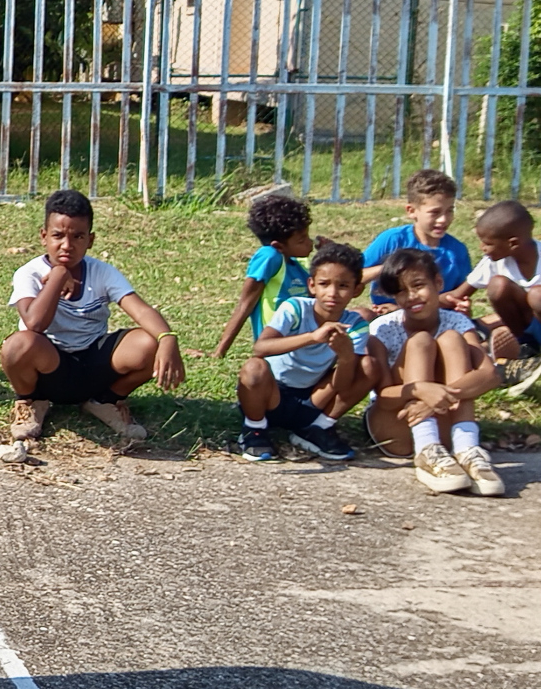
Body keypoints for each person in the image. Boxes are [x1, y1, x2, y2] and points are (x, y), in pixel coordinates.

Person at [0, 189, 184, 444]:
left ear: (91, 240)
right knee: (17, 345)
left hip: (92, 364)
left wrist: (167, 338)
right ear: (44, 237)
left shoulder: (102, 272)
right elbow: (35, 323)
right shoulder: (29, 273)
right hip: (48, 368)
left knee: (149, 343)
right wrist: (57, 276)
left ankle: (105, 401)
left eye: (78, 236)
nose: (67, 245)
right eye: (58, 236)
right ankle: (30, 402)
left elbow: (140, 309)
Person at [364, 249, 503, 495]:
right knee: (421, 342)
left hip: (445, 425)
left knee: (451, 339)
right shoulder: (383, 328)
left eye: (418, 285)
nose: (411, 297)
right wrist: (419, 390)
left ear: (438, 283)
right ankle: (426, 449)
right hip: (394, 424)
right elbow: (383, 396)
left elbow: (490, 374)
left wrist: (435, 399)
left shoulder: (457, 322)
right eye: (400, 291)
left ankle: (466, 449)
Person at [236, 241, 379, 463]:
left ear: (357, 290)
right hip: (272, 396)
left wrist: (346, 356)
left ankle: (318, 428)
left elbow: (343, 386)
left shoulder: (355, 325)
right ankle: (254, 429)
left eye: (343, 286)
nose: (332, 293)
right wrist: (312, 337)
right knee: (254, 367)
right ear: (312, 285)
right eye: (324, 284)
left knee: (369, 365)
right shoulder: (294, 308)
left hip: (314, 399)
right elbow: (260, 348)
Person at [444, 200, 541, 392]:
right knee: (498, 285)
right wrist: (409, 304)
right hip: (530, 328)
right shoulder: (493, 262)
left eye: (487, 243)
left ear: (512, 243)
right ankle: (525, 346)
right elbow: (456, 295)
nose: (481, 247)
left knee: (537, 295)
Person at [214, 192, 313, 357]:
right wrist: (219, 352)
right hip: (276, 346)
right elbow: (245, 304)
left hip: (303, 343)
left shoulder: (297, 264)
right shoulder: (270, 256)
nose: (310, 243)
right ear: (278, 246)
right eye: (302, 240)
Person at [361, 168, 472, 312]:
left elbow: (459, 294)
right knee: (363, 315)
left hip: (437, 320)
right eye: (435, 212)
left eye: (449, 210)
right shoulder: (392, 240)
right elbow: (355, 276)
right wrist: (389, 268)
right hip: (387, 318)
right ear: (411, 211)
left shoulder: (457, 251)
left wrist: (463, 307)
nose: (443, 219)